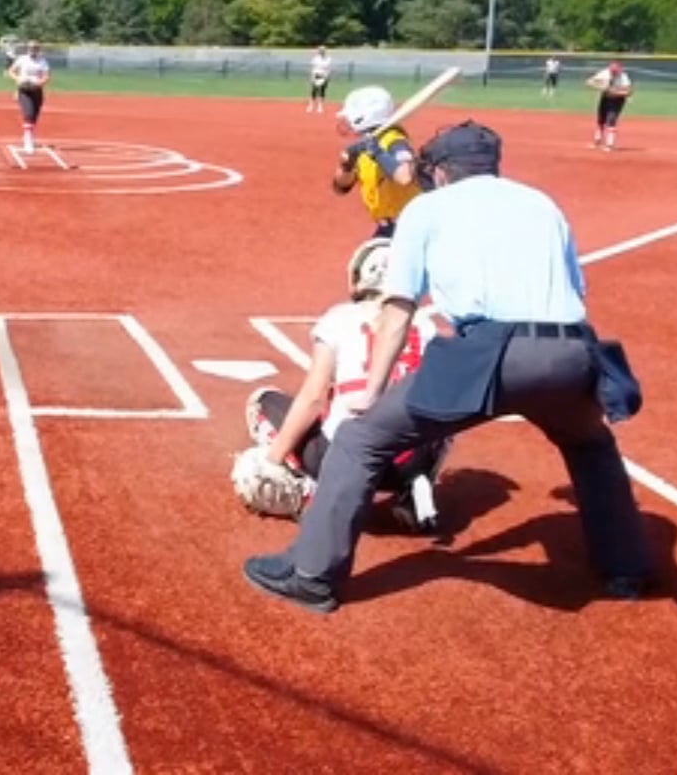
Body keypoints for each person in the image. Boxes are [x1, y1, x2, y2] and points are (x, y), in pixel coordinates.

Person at [242, 120, 653, 614]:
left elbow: (399, 309)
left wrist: (373, 390)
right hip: (573, 351)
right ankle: (627, 570)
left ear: (439, 172)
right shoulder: (542, 204)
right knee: (591, 446)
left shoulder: (426, 208)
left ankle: (312, 576)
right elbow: (575, 291)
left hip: (492, 351)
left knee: (361, 439)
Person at [231, 237, 451, 533]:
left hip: (348, 457)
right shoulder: (426, 326)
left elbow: (313, 398)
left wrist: (273, 459)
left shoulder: (340, 318)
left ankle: (308, 491)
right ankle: (414, 483)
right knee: (440, 410)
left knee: (263, 402)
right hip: (409, 458)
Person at [331, 86, 419, 238]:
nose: (347, 121)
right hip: (388, 227)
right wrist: (347, 164)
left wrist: (377, 153)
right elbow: (341, 187)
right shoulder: (364, 145)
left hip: (409, 227)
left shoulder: (394, 141)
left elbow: (406, 176)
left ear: (362, 117)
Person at [6, 41, 51, 155]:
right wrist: (18, 79)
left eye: (35, 48)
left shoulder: (42, 61)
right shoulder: (22, 59)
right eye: (30, 48)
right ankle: (28, 141)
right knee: (28, 114)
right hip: (24, 90)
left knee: (34, 116)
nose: (32, 50)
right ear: (27, 49)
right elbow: (11, 71)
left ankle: (29, 134)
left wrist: (40, 83)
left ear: (38, 49)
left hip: (36, 90)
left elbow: (46, 76)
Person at [586, 61, 633, 150]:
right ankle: (597, 142)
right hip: (605, 98)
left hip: (617, 100)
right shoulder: (605, 73)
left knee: (611, 120)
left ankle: (609, 144)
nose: (614, 73)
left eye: (616, 71)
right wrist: (601, 86)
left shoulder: (623, 77)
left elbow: (629, 92)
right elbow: (589, 82)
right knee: (601, 119)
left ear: (619, 70)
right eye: (612, 71)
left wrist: (615, 92)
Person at [307, 46, 332, 113]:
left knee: (322, 90)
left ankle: (320, 106)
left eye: (323, 50)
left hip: (324, 75)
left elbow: (328, 68)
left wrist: (328, 76)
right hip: (317, 74)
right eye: (320, 50)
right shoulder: (315, 58)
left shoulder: (328, 59)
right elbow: (313, 67)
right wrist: (312, 76)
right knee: (314, 90)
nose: (321, 51)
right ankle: (311, 105)